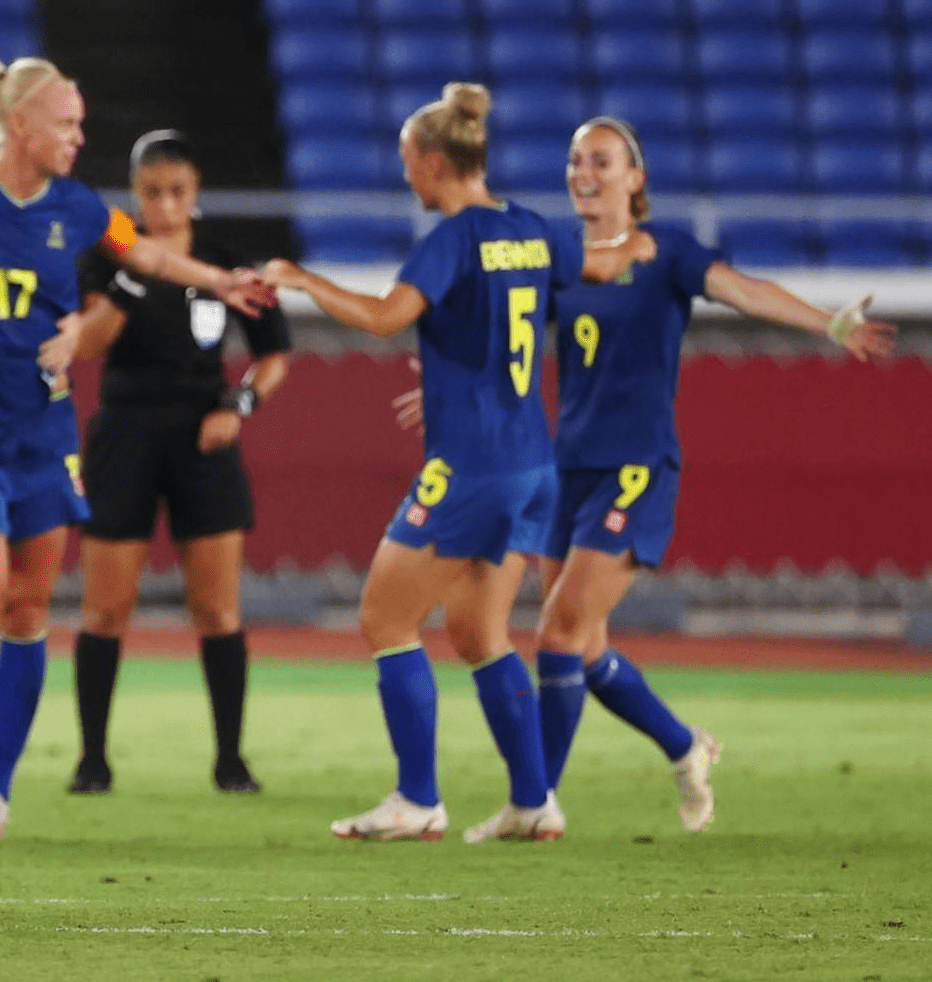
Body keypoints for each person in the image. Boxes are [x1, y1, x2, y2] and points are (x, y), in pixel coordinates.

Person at [458, 116, 895, 833]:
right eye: (574, 160)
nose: (582, 172)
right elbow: (509, 335)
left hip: (636, 468)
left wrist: (830, 325)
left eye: (600, 160)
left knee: (559, 634)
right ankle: (685, 745)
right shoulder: (558, 255)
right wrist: (459, 384)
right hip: (566, 470)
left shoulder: (668, 254)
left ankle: (532, 801)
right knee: (586, 648)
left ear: (636, 178)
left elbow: (746, 289)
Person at [260, 81, 651, 846]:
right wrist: (652, 246)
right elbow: (605, 265)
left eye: (409, 161)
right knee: (479, 632)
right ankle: (534, 800)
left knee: (384, 617)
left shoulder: (451, 239)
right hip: (531, 464)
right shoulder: (535, 229)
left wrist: (302, 281)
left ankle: (416, 797)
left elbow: (383, 319)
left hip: (469, 465)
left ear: (435, 162)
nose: (406, 173)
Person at [0, 58, 277, 842]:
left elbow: (147, 254)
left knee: (30, 606)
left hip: (44, 432)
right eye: (68, 123)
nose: (80, 136)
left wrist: (219, 281)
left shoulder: (79, 208)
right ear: (19, 125)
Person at [67, 130, 291, 796]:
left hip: (204, 436)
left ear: (194, 193)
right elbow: (89, 343)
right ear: (136, 194)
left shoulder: (223, 259)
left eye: (177, 192)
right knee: (106, 607)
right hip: (124, 432)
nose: (165, 204)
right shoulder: (107, 256)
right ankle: (92, 758)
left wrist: (239, 402)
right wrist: (138, 271)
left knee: (217, 607)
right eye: (153, 192)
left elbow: (274, 353)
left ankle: (230, 757)